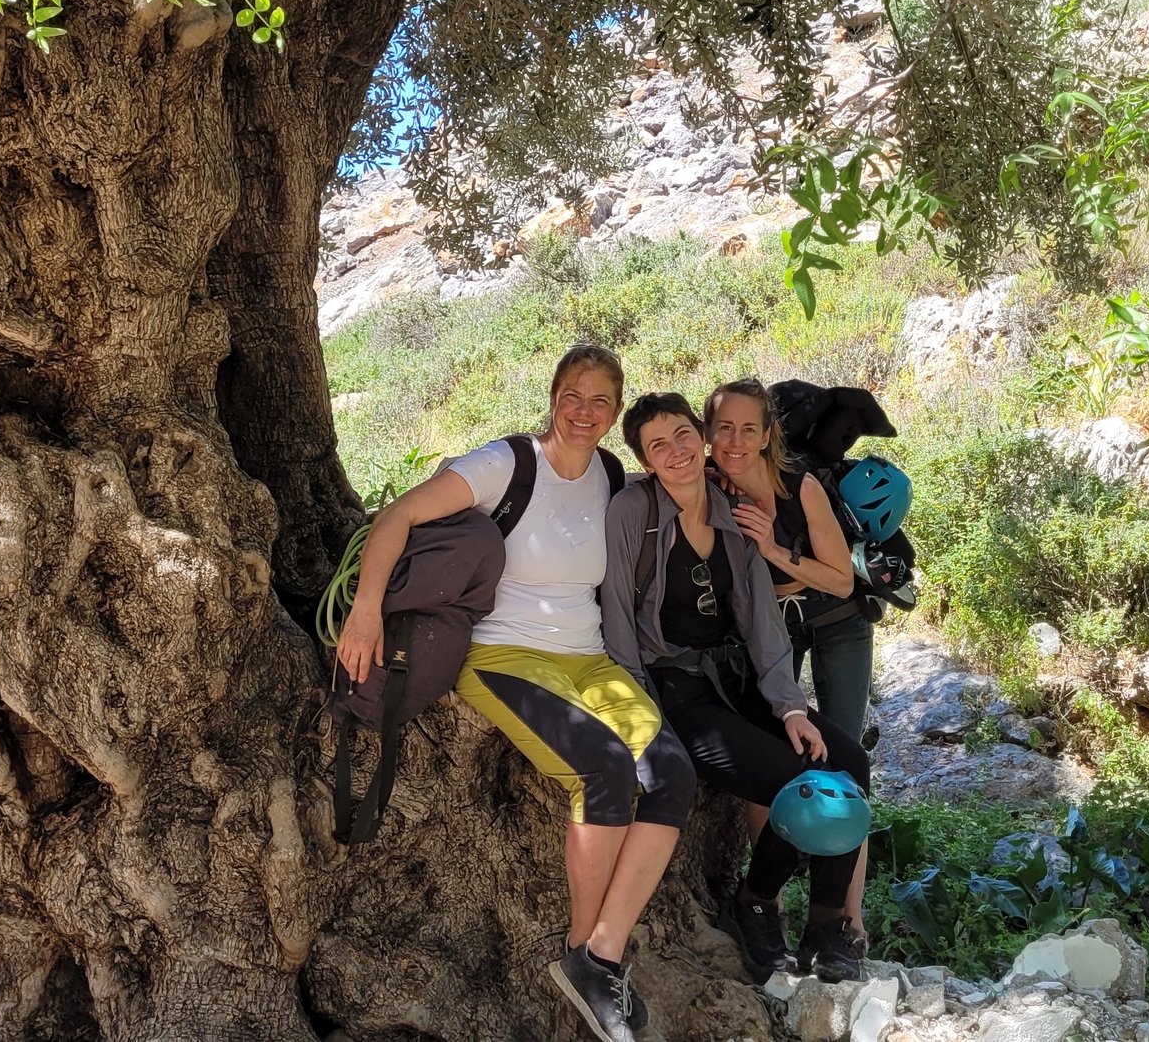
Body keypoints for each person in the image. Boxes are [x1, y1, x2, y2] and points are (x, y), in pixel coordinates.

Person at [338, 344, 690, 1042]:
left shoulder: (611, 477)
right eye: (573, 395)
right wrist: (366, 608)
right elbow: (397, 517)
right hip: (506, 655)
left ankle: (601, 957)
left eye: (600, 402)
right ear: (554, 395)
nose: (584, 412)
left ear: (614, 412)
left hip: (590, 661)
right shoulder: (508, 463)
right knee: (604, 770)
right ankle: (582, 949)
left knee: (673, 775)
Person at [602, 392, 872, 984]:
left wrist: (790, 707)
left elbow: (760, 620)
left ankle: (828, 928)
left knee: (848, 762)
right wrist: (638, 718)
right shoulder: (633, 510)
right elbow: (618, 617)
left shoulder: (734, 508)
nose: (674, 451)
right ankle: (754, 899)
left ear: (700, 439)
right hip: (678, 690)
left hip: (741, 678)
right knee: (795, 782)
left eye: (681, 435)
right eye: (657, 445)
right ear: (646, 461)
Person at [704, 377, 873, 937]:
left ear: (767, 434)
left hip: (837, 624)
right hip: (773, 634)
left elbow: (842, 580)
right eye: (724, 428)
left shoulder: (800, 487)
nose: (735, 440)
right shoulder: (705, 489)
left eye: (748, 428)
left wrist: (775, 550)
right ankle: (766, 905)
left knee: (846, 764)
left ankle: (847, 920)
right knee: (778, 748)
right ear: (707, 435)